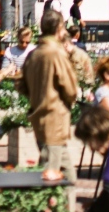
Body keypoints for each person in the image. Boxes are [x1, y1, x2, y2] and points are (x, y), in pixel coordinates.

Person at [19, 10, 81, 182]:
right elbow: (70, 89)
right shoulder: (55, 53)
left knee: (68, 175)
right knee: (51, 175)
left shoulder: (34, 53)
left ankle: (67, 209)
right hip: (54, 118)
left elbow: (21, 85)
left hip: (40, 116)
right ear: (60, 28)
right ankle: (56, 209)